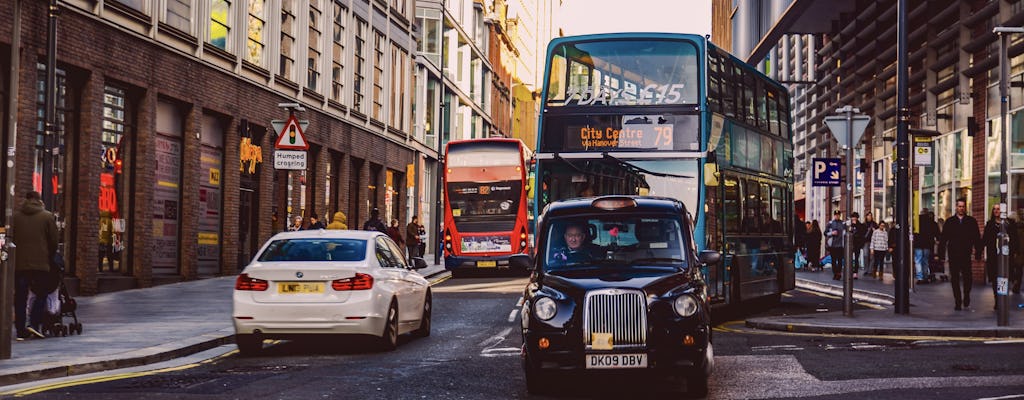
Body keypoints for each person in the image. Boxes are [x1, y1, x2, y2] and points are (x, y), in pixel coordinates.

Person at [11, 191, 59, 340]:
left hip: (19, 264)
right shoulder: (47, 216)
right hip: (40, 264)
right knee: (41, 294)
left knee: (20, 297)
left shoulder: (15, 217)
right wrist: (49, 256)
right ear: (40, 200)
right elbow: (54, 241)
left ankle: (20, 331)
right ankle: (34, 324)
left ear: (26, 200)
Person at [939, 199, 981, 311]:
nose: (961, 208)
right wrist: (941, 255)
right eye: (959, 206)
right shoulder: (950, 221)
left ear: (965, 208)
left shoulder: (971, 221)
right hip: (953, 254)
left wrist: (978, 253)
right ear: (956, 207)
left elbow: (977, 238)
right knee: (955, 278)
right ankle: (957, 301)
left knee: (968, 277)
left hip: (966, 254)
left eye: (963, 206)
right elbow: (943, 239)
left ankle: (966, 296)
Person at [981, 204, 1018, 308]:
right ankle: (997, 299)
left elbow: (1014, 239)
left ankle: (1003, 298)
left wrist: (1015, 251)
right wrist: (979, 250)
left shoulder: (1009, 224)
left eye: (998, 209)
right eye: (994, 209)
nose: (996, 211)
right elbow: (985, 239)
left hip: (1006, 256)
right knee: (995, 279)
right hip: (993, 256)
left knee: (1004, 277)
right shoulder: (990, 224)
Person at [914, 208, 940, 284]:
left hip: (918, 244)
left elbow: (912, 231)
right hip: (928, 245)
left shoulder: (916, 221)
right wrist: (937, 239)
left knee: (918, 261)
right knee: (925, 261)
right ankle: (925, 277)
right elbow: (937, 233)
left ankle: (920, 277)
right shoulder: (931, 222)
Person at [825, 209, 846, 280]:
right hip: (833, 245)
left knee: (840, 260)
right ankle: (835, 273)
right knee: (833, 260)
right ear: (834, 215)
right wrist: (831, 233)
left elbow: (847, 232)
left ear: (840, 215)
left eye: (838, 215)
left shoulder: (843, 223)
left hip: (840, 245)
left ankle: (839, 273)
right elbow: (825, 233)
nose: (837, 216)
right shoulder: (830, 223)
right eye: (836, 215)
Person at [849, 212, 866, 278]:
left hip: (857, 244)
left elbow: (862, 233)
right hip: (850, 243)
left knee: (856, 258)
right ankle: (849, 270)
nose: (853, 219)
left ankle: (855, 272)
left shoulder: (860, 225)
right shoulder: (849, 224)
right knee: (849, 258)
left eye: (855, 217)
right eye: (852, 217)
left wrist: (856, 225)